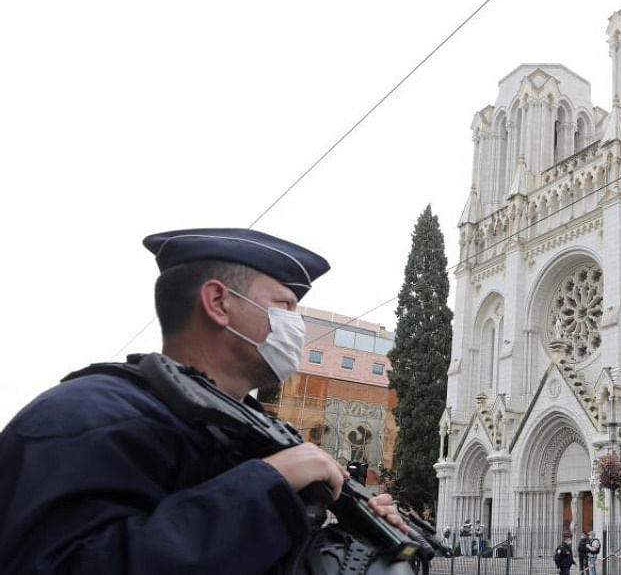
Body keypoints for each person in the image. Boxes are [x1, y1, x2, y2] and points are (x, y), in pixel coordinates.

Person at [0, 227, 410, 574]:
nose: (296, 325)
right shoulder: (85, 416)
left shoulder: (263, 435)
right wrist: (269, 485)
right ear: (218, 302)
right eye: (285, 305)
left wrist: (357, 536)